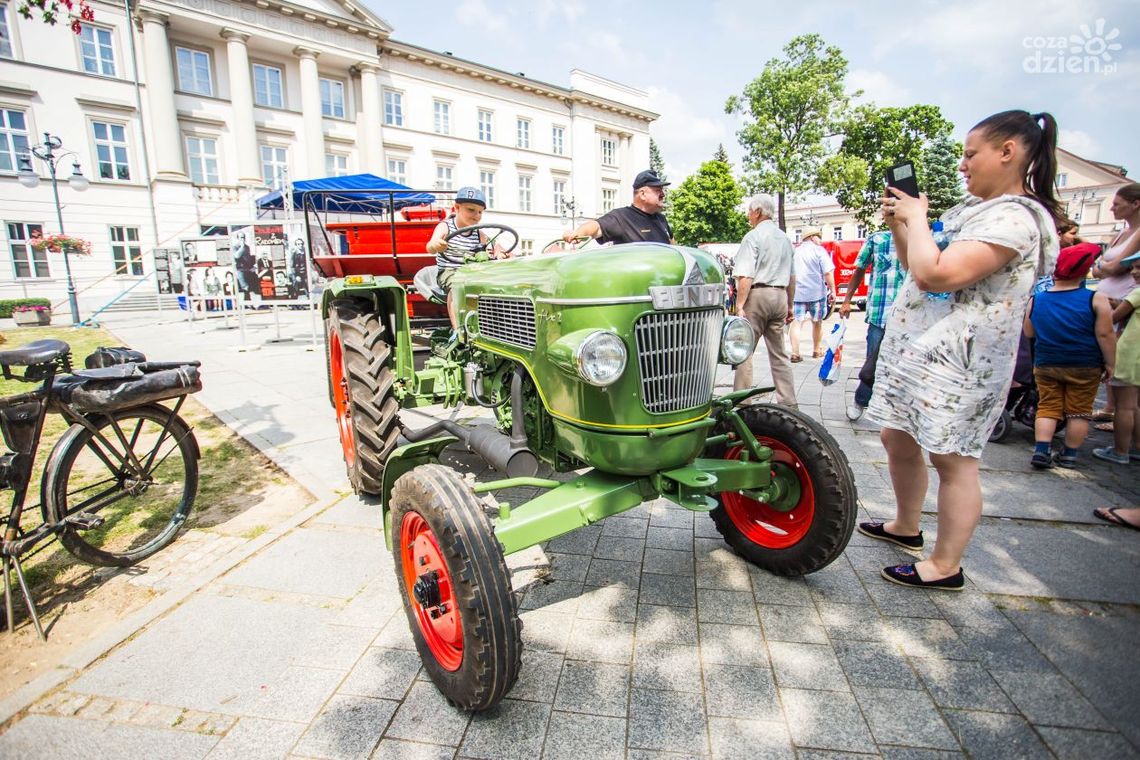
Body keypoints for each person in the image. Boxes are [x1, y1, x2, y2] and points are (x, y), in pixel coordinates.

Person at [859, 109, 1062, 591]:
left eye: (971, 154)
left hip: (963, 364)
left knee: (952, 459)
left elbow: (939, 276)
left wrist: (919, 217)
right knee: (897, 437)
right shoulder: (974, 212)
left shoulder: (1014, 217)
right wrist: (900, 226)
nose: (963, 165)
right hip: (927, 355)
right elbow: (918, 266)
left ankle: (945, 565)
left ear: (1007, 151)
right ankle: (905, 527)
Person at [1022, 242, 1115, 469]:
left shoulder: (1037, 299)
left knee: (1048, 406)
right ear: (1085, 270)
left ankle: (1042, 450)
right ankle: (1069, 455)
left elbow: (1028, 331)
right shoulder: (1095, 299)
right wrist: (1111, 363)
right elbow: (1105, 334)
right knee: (1079, 411)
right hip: (1085, 364)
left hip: (1047, 362)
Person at [732, 194, 797, 407]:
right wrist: (789, 304)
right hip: (780, 294)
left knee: (745, 350)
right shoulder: (785, 238)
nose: (748, 216)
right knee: (779, 353)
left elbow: (746, 275)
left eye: (750, 211)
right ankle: (788, 402)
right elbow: (792, 276)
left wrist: (739, 305)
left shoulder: (753, 237)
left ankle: (742, 402)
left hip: (758, 295)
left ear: (758, 212)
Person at [840, 230, 907, 420]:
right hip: (880, 312)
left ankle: (894, 412)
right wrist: (847, 301)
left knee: (903, 365)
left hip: (907, 315)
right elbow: (859, 269)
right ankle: (860, 402)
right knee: (872, 363)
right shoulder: (877, 240)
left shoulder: (918, 236)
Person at [1088, 184, 1140, 429]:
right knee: (1108, 348)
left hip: (1123, 298)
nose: (1112, 208)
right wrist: (1101, 269)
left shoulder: (1138, 232)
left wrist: (1101, 269)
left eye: (1117, 204)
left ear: (1135, 204)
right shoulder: (1122, 232)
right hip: (1107, 296)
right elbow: (1100, 264)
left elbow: (1113, 267)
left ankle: (1121, 412)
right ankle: (1111, 408)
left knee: (1115, 350)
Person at [426, 186, 500, 327]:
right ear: (457, 208)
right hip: (450, 271)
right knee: (457, 286)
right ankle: (459, 330)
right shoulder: (445, 227)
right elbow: (430, 247)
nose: (477, 216)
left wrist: (499, 253)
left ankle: (493, 327)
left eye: (480, 212)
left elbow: (492, 249)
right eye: (471, 210)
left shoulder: (480, 234)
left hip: (472, 273)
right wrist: (436, 245)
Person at [1092, 252, 1140, 465]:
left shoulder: (1137, 293)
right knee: (1136, 406)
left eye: (1139, 268)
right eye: (1133, 268)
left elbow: (1112, 318)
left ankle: (1120, 451)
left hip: (1130, 353)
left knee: (1125, 406)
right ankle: (1137, 448)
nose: (1134, 272)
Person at [563, 170, 674, 246]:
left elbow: (673, 245)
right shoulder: (621, 217)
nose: (663, 194)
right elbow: (596, 226)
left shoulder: (661, 219)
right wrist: (578, 233)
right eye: (658, 190)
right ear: (642, 194)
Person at [787, 229, 835, 362]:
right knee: (817, 322)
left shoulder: (795, 251)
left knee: (796, 323)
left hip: (797, 293)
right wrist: (833, 290)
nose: (820, 240)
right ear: (812, 237)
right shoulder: (819, 251)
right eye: (819, 237)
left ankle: (795, 352)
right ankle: (817, 349)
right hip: (816, 293)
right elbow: (828, 272)